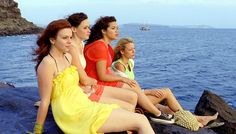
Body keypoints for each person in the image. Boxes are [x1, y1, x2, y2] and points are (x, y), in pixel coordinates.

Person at [32, 19, 154, 134]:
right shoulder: (47, 64)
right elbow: (45, 101)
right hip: (71, 111)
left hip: (82, 102)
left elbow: (70, 84)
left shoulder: (67, 57)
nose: (70, 41)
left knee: (137, 117)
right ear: (52, 40)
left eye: (70, 37)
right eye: (65, 38)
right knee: (141, 121)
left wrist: (84, 89)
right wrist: (38, 130)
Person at [112, 37, 219, 127]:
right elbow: (128, 89)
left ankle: (200, 119)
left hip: (137, 96)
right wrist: (149, 92)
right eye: (130, 50)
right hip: (130, 101)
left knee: (168, 109)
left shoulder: (130, 62)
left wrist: (146, 92)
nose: (134, 51)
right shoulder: (119, 66)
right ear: (122, 51)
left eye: (134, 49)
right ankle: (190, 119)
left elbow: (134, 87)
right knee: (166, 92)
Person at [84, 16, 174, 124]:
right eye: (113, 28)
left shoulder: (107, 47)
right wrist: (123, 79)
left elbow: (107, 70)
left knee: (133, 85)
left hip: (103, 80)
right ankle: (156, 113)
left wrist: (123, 78)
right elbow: (102, 75)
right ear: (103, 31)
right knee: (133, 89)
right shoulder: (99, 46)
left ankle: (153, 113)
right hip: (97, 83)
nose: (117, 31)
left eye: (117, 28)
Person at [67, 12, 138, 112]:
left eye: (89, 27)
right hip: (84, 87)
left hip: (88, 84)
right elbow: (86, 78)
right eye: (85, 28)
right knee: (130, 103)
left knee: (133, 96)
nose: (89, 30)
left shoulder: (81, 45)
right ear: (74, 29)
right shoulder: (72, 48)